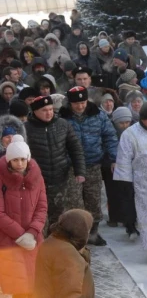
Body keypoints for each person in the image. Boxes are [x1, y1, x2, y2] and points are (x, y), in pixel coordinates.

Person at [60, 86, 118, 246]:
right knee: (74, 200)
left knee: (93, 199)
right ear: (70, 103)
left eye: (83, 102)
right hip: (71, 167)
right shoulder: (62, 118)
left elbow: (110, 137)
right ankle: (77, 234)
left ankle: (93, 232)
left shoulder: (98, 115)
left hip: (93, 164)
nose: (80, 106)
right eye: (76, 103)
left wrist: (114, 158)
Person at [114, 103, 147, 265]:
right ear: (142, 120)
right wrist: (125, 183)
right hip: (144, 184)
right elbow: (123, 160)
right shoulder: (130, 134)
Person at [24, 96, 86, 228]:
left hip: (60, 178)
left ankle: (57, 244)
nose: (49, 113)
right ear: (35, 111)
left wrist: (80, 171)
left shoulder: (63, 124)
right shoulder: (26, 129)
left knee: (59, 216)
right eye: (44, 110)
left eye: (51, 109)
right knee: (40, 217)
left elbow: (75, 148)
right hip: (37, 182)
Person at [0, 135, 47, 298]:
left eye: (22, 159)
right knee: (17, 287)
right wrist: (21, 235)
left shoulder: (37, 178)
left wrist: (32, 232)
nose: (19, 164)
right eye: (15, 160)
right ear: (8, 161)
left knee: (36, 286)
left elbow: (42, 207)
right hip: (8, 240)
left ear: (27, 158)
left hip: (34, 240)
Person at [33, 209, 95, 298]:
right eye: (88, 230)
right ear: (82, 232)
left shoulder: (52, 242)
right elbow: (70, 292)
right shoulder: (68, 254)